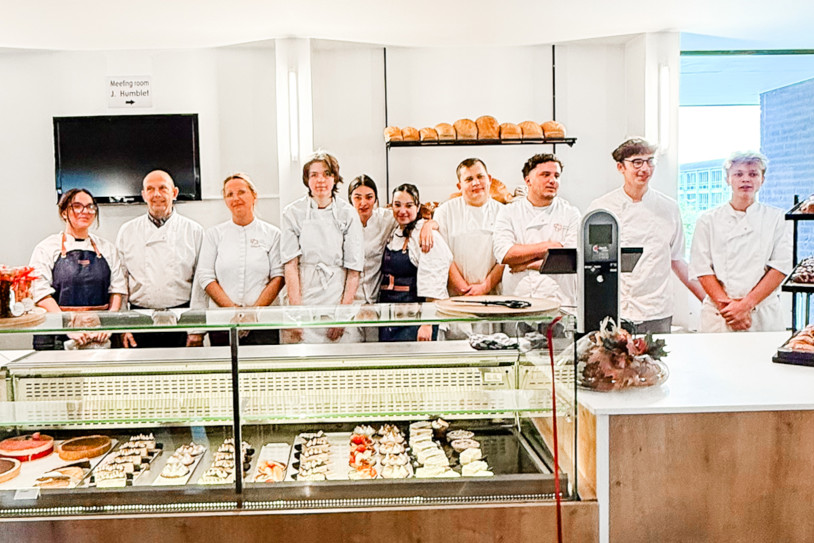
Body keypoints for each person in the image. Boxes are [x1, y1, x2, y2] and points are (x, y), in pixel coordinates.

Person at [587, 138, 705, 333]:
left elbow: (677, 260)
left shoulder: (669, 208)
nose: (645, 168)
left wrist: (707, 300)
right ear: (620, 167)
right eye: (637, 162)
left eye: (650, 161)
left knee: (655, 362)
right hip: (614, 308)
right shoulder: (602, 208)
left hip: (656, 308)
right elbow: (593, 262)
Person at [689, 151, 792, 332]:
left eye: (753, 174)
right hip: (720, 316)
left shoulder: (778, 219)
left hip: (761, 314)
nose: (746, 179)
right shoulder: (707, 220)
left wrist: (745, 306)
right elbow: (702, 269)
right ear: (728, 179)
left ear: (762, 179)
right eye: (738, 174)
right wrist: (730, 310)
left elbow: (780, 267)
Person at [188, 173, 284, 346]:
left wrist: (252, 314)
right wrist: (234, 311)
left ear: (254, 195)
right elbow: (205, 276)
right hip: (223, 322)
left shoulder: (273, 234)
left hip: (263, 324)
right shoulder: (213, 235)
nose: (236, 198)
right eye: (229, 194)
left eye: (241, 192)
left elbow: (278, 277)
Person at [29, 188, 127, 350]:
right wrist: (68, 327)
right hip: (57, 335)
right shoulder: (46, 248)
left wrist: (109, 325)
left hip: (100, 334)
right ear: (64, 213)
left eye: (90, 206)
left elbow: (117, 290)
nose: (85, 211)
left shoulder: (107, 248)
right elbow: (40, 293)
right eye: (77, 206)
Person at [281, 152, 363, 343]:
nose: (321, 180)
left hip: (337, 298)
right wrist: (297, 315)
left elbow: (354, 270)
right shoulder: (293, 213)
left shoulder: (348, 214)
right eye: (314, 175)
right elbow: (291, 266)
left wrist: (342, 316)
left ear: (335, 178)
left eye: (326, 174)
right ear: (307, 180)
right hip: (304, 298)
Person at [116, 170, 204, 348]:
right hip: (138, 320)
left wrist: (196, 329)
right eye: (150, 189)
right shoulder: (127, 231)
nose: (156, 194)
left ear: (174, 193)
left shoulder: (194, 231)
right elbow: (120, 281)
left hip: (182, 320)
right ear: (143, 195)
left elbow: (200, 284)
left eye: (163, 188)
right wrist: (123, 326)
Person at [493, 153, 580, 307]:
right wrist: (549, 247)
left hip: (560, 301)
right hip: (517, 299)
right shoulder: (509, 212)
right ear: (528, 181)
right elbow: (505, 254)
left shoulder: (571, 213)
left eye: (556, 176)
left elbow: (569, 260)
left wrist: (524, 265)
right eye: (545, 175)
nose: (552, 180)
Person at [432, 158, 505, 339]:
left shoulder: (503, 212)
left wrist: (485, 286)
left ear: (489, 179)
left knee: (491, 357)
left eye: (480, 176)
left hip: (491, 299)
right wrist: (463, 289)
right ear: (459, 185)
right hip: (455, 299)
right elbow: (443, 255)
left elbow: (505, 257)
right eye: (469, 179)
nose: (476, 183)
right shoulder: (445, 211)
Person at [378, 183, 452, 342]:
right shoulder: (393, 231)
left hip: (415, 320)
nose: (402, 211)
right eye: (397, 205)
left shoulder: (425, 235)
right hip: (389, 316)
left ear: (418, 207)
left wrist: (427, 323)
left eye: (408, 205)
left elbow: (434, 279)